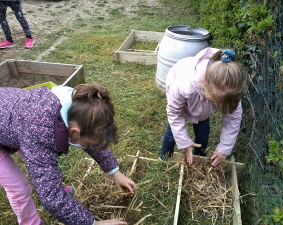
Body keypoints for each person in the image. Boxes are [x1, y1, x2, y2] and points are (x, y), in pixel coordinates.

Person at [0, 83, 136, 225]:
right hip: (19, 124)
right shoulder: (41, 132)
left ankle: (55, 186)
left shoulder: (78, 109)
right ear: (74, 132)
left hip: (14, 120)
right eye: (88, 144)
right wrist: (92, 223)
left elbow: (93, 138)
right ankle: (30, 222)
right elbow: (51, 199)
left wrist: (114, 171)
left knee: (42, 163)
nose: (89, 146)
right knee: (20, 187)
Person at [159, 47, 247, 167]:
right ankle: (164, 158)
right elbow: (174, 113)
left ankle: (199, 159)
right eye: (214, 101)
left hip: (201, 101)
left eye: (220, 103)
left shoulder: (231, 91)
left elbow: (233, 120)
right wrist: (184, 142)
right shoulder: (183, 85)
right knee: (172, 133)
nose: (217, 106)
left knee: (202, 133)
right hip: (181, 94)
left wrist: (224, 149)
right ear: (203, 81)